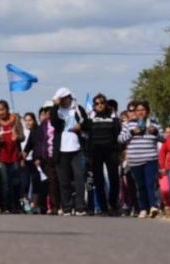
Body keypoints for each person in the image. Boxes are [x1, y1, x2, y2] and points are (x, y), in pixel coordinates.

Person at [119, 100, 163, 218]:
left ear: (147, 111)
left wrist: (155, 132)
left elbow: (164, 138)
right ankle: (143, 208)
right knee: (140, 185)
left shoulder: (154, 124)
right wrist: (132, 132)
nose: (140, 112)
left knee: (150, 183)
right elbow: (120, 139)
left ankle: (153, 206)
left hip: (150, 158)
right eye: (138, 110)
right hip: (135, 160)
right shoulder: (129, 125)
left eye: (143, 110)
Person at [50, 87, 88, 216]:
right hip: (61, 150)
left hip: (77, 149)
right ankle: (67, 207)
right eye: (62, 98)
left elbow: (87, 123)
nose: (65, 100)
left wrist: (80, 126)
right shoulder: (57, 111)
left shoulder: (77, 109)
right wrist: (55, 106)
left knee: (79, 178)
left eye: (67, 98)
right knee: (64, 180)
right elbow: (54, 122)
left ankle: (80, 207)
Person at [84, 93, 121, 215]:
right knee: (98, 181)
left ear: (106, 104)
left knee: (114, 179)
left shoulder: (113, 117)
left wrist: (120, 152)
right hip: (96, 152)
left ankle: (113, 204)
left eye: (102, 103)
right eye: (97, 103)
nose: (100, 105)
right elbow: (85, 132)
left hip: (111, 152)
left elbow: (118, 133)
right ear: (94, 105)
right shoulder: (91, 118)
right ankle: (104, 208)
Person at [0, 100, 22, 213]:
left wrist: (17, 137)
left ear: (7, 109)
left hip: (14, 155)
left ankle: (16, 205)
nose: (1, 112)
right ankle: (6, 206)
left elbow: (22, 136)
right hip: (1, 156)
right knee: (4, 182)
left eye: (3, 109)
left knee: (15, 181)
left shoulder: (15, 120)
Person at [18, 112, 37, 213]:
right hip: (24, 161)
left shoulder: (36, 131)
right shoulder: (22, 133)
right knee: (25, 183)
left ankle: (34, 204)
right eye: (26, 120)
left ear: (34, 121)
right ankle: (25, 203)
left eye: (30, 120)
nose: (28, 122)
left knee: (35, 183)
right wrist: (21, 159)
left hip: (35, 161)